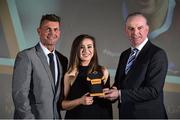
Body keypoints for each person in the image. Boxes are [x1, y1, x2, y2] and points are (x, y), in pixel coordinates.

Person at [104, 12, 168, 119]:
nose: (135, 32)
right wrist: (113, 90)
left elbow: (153, 91)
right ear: (126, 30)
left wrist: (119, 94)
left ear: (147, 29)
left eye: (140, 28)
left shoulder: (157, 54)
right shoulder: (124, 55)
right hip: (126, 115)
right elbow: (120, 82)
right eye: (131, 28)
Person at [12, 14, 68, 119]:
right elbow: (20, 96)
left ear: (59, 33)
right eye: (48, 29)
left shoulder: (62, 60)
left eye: (55, 29)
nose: (52, 33)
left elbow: (59, 97)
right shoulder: (26, 56)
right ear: (39, 31)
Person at [61, 34, 112, 119]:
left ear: (94, 49)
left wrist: (106, 95)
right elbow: (62, 105)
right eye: (81, 47)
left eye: (89, 47)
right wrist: (80, 101)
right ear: (76, 50)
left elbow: (108, 102)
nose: (86, 50)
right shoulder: (70, 75)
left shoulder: (104, 71)